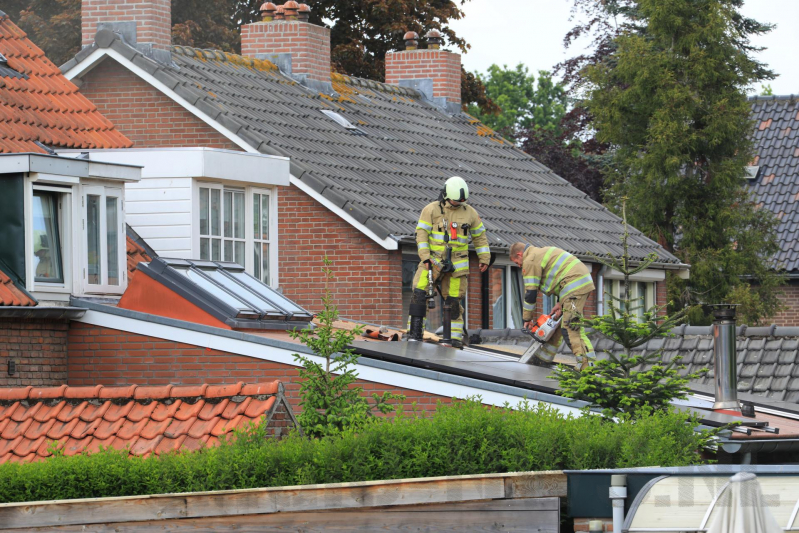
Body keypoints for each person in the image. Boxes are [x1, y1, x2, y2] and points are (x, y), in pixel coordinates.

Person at [407, 176, 491, 348]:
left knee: (453, 302)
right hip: (432, 262)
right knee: (419, 294)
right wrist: (425, 256)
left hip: (457, 267)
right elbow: (421, 234)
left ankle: (453, 339)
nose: (458, 204)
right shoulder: (431, 210)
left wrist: (484, 258)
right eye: (455, 201)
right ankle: (414, 334)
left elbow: (480, 237)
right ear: (445, 195)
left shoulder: (470, 213)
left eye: (461, 201)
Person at [509, 242, 597, 370]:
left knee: (571, 328)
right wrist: (560, 303)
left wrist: (527, 319)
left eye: (516, 262)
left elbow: (530, 293)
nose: (519, 265)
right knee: (557, 325)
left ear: (519, 254)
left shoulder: (530, 260)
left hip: (574, 287)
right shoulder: (539, 253)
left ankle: (587, 368)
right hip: (575, 285)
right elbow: (562, 276)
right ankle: (543, 359)